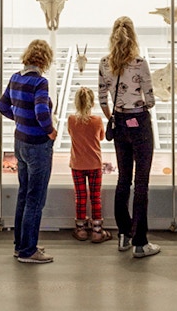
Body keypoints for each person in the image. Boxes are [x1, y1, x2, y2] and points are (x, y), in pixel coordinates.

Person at [98, 16, 160, 258]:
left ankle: (123, 234)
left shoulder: (104, 63)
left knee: (123, 179)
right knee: (141, 183)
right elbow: (151, 100)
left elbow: (103, 99)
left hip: (120, 122)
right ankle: (140, 242)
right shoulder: (140, 63)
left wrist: (114, 114)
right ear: (133, 36)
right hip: (140, 123)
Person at [0, 39, 58, 263]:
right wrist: (50, 131)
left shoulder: (15, 78)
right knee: (36, 198)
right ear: (45, 60)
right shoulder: (39, 82)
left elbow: (3, 106)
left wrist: (21, 119)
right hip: (37, 145)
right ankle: (28, 251)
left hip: (19, 143)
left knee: (24, 195)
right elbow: (42, 112)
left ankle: (21, 245)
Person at [67, 86, 111, 243]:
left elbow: (72, 134)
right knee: (95, 197)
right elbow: (101, 137)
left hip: (77, 164)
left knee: (80, 197)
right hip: (94, 163)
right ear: (92, 103)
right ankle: (97, 230)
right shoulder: (97, 120)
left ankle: (80, 229)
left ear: (76, 103)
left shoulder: (71, 120)